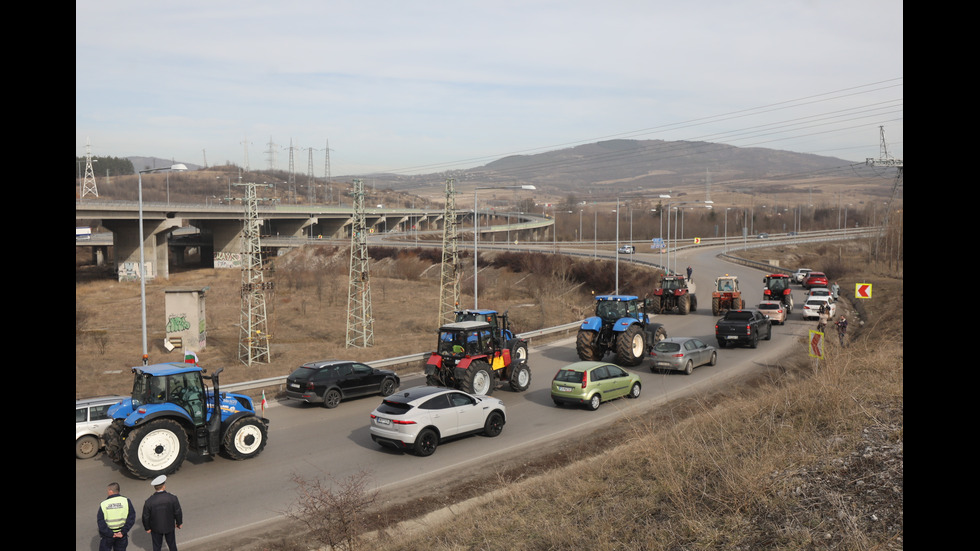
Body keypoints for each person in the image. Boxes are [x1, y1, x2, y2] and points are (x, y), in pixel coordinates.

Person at [142, 475, 183, 551]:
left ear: (155, 488)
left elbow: (145, 516)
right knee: (172, 544)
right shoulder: (172, 498)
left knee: (157, 546)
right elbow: (177, 511)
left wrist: (147, 528)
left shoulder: (149, 501)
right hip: (169, 526)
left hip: (155, 528)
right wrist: (179, 523)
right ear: (163, 486)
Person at [98, 482, 135, 551]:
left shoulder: (104, 504)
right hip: (121, 535)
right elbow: (131, 518)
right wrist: (123, 532)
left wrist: (110, 534)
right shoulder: (126, 501)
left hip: (108, 536)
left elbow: (100, 522)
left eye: (108, 491)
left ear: (110, 491)